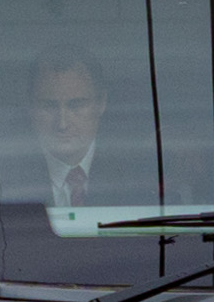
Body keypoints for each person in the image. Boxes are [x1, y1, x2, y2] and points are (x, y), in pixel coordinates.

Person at [23, 49, 148, 213]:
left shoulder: (137, 174)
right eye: (49, 106)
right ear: (30, 106)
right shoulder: (8, 177)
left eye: (76, 105)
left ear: (101, 102)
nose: (62, 124)